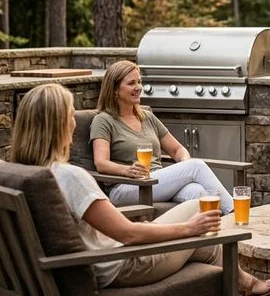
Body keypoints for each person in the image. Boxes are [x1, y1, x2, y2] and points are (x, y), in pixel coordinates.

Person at [10, 83, 270, 295]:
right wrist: (188, 229)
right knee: (202, 226)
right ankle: (244, 282)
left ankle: (242, 283)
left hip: (100, 257)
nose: (74, 123)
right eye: (69, 116)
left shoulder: (23, 173)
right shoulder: (69, 176)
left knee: (201, 219)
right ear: (57, 125)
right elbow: (128, 234)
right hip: (124, 264)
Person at [91, 60, 234, 214]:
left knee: (197, 192)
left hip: (156, 181)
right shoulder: (104, 120)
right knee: (196, 166)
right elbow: (101, 163)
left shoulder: (147, 117)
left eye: (139, 82)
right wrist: (127, 170)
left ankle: (218, 234)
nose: (138, 87)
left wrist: (184, 165)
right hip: (125, 187)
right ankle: (233, 212)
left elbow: (177, 149)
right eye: (131, 83)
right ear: (115, 90)